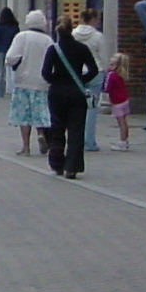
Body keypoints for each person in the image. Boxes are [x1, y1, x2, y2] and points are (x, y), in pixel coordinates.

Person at [43, 18, 99, 178]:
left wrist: (56, 81)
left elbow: (46, 73)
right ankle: (72, 166)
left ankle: (57, 163)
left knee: (57, 128)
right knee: (76, 129)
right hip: (77, 92)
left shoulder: (53, 49)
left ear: (57, 30)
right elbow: (93, 69)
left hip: (57, 93)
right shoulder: (82, 48)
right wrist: (82, 80)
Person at [1, 10, 54, 155]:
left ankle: (26, 146)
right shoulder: (48, 40)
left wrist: (16, 66)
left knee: (24, 115)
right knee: (40, 111)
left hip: (23, 81)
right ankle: (41, 133)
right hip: (42, 82)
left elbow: (11, 57)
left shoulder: (21, 37)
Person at [73, 13, 111, 153]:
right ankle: (89, 142)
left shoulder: (73, 34)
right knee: (92, 109)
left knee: (77, 109)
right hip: (95, 72)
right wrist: (106, 73)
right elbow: (104, 57)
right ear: (93, 20)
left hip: (77, 73)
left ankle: (76, 139)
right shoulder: (98, 36)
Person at [104, 54, 134, 148]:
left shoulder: (111, 74)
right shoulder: (120, 73)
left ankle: (122, 142)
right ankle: (125, 140)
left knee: (120, 122)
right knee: (124, 121)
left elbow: (106, 88)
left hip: (117, 101)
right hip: (124, 99)